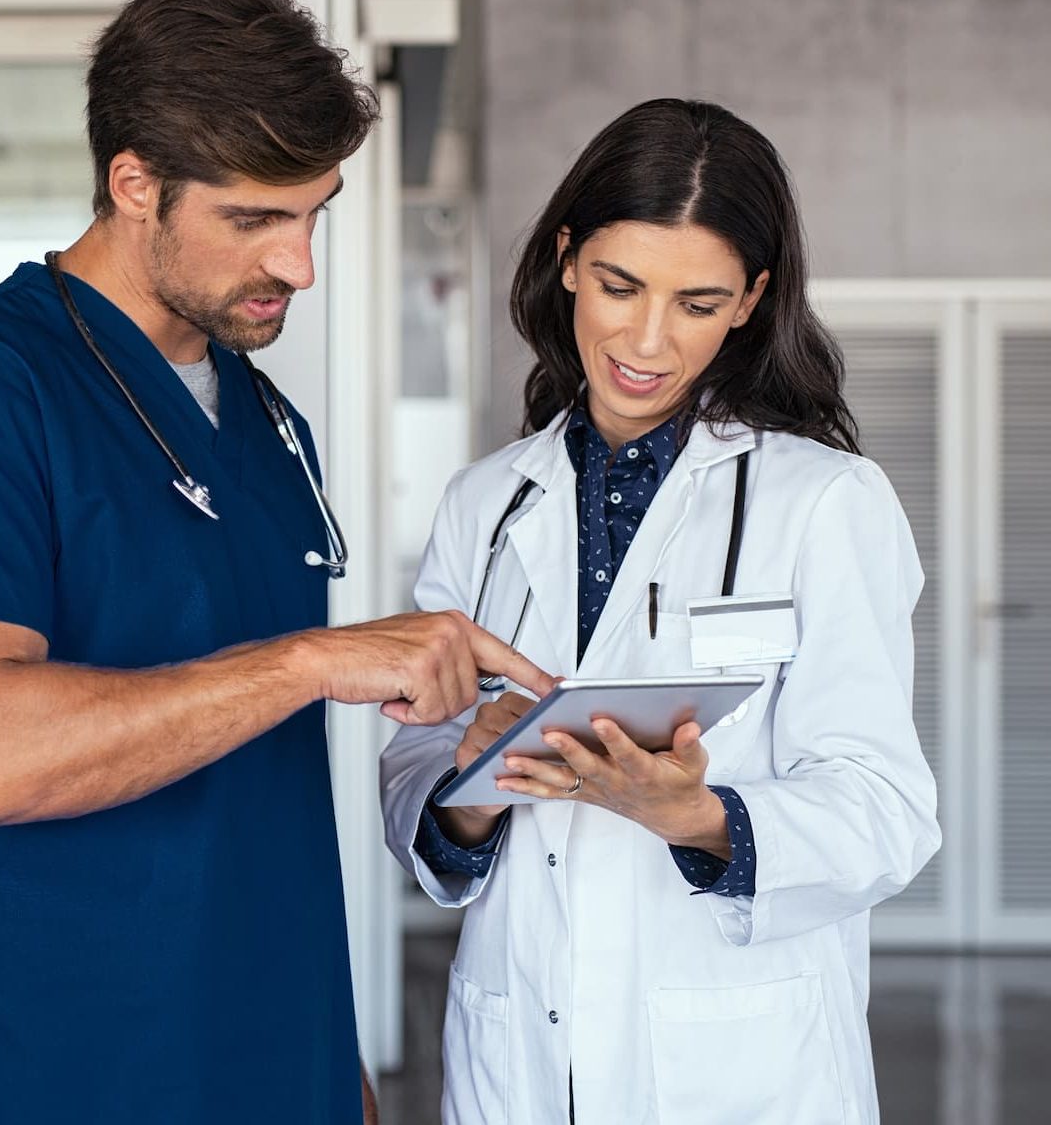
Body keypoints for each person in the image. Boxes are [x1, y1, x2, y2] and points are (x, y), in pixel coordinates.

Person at [0, 0, 553, 1125]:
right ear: (135, 184)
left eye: (314, 211)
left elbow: (264, 799)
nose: (299, 263)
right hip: (84, 1074)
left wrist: (336, 1064)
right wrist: (309, 661)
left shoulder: (272, 428)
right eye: (255, 219)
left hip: (283, 1061)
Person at [380, 98, 942, 1125]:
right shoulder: (485, 503)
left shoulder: (825, 501)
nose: (645, 339)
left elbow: (885, 810)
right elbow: (413, 772)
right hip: (522, 1058)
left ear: (750, 300)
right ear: (566, 260)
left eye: (697, 301)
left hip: (740, 1067)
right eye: (619, 285)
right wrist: (473, 784)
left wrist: (695, 815)